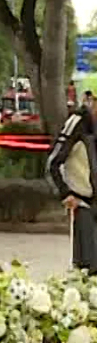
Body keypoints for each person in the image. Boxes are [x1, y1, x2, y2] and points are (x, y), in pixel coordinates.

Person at [47, 107, 97, 271]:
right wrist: (65, 193)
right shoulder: (77, 124)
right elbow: (52, 163)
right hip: (84, 204)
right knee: (89, 269)